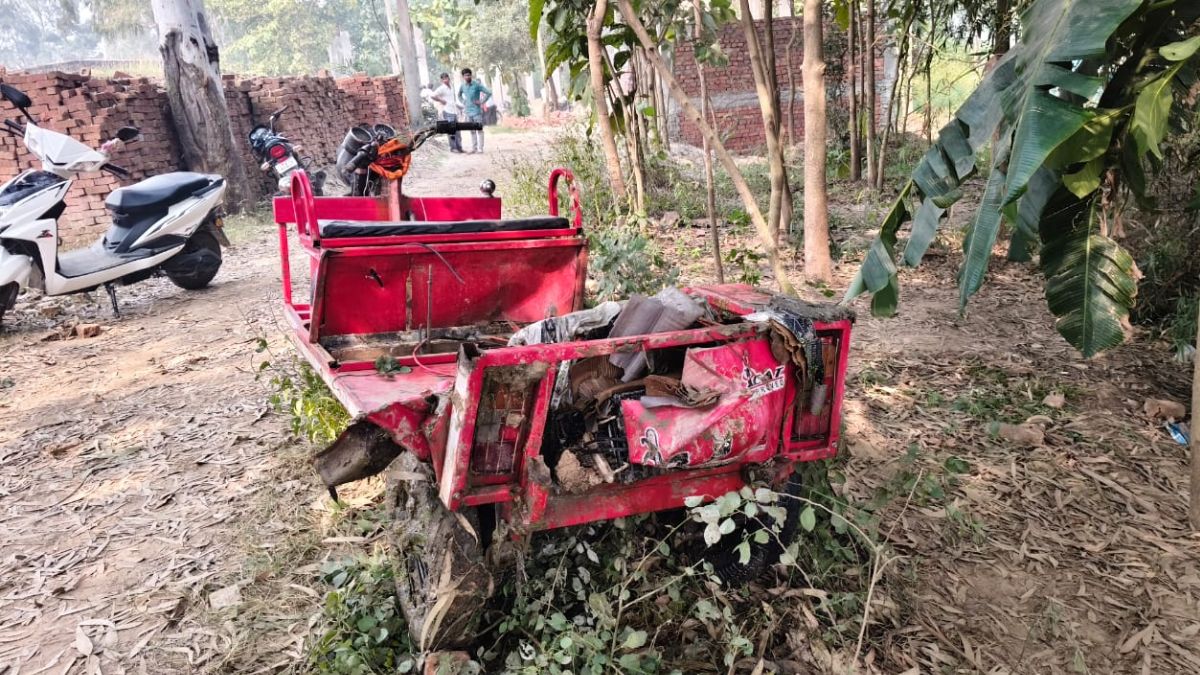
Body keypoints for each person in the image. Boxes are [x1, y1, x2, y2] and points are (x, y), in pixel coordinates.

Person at [457, 67, 492, 153]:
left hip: (476, 111)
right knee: (472, 131)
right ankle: (474, 148)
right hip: (468, 112)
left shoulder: (476, 85)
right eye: (465, 76)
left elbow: (489, 92)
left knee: (479, 130)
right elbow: (459, 95)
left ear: (471, 75)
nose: (467, 77)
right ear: (463, 77)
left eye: (468, 75)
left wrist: (481, 101)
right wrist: (463, 101)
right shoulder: (462, 86)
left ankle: (480, 148)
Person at [430, 72, 463, 153]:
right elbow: (433, 96)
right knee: (451, 130)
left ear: (449, 78)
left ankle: (459, 147)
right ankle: (453, 148)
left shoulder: (451, 87)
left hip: (454, 111)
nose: (445, 80)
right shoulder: (442, 88)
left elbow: (451, 100)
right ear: (441, 80)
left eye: (446, 78)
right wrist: (441, 100)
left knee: (457, 130)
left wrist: (458, 106)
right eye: (443, 79)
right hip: (447, 111)